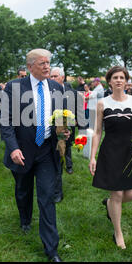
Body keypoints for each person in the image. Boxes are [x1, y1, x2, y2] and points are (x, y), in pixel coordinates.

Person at [1, 48, 68, 262]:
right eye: (42, 63)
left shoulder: (57, 87)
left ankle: (51, 250)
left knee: (47, 197)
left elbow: (62, 118)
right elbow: (6, 120)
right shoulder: (14, 87)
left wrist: (65, 130)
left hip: (47, 152)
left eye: (48, 63)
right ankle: (24, 218)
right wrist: (13, 148)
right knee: (23, 190)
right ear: (30, 66)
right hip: (22, 150)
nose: (47, 67)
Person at [89, 66, 132, 250]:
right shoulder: (103, 104)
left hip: (128, 152)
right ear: (109, 81)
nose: (118, 80)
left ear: (126, 80)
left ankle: (109, 205)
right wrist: (93, 157)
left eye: (122, 77)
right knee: (116, 193)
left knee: (131, 195)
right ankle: (118, 233)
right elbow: (98, 132)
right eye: (115, 77)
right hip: (110, 151)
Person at [50, 66, 76, 203]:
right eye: (51, 76)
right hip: (48, 131)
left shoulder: (70, 93)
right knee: (53, 162)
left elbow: (74, 113)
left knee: (60, 159)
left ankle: (57, 192)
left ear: (62, 77)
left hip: (64, 130)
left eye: (55, 76)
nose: (52, 79)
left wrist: (68, 129)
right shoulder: (47, 91)